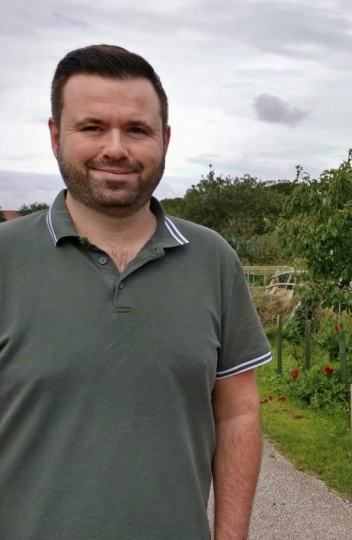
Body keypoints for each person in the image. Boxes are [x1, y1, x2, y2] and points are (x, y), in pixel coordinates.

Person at [0, 44, 272, 539]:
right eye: (92, 127)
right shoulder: (5, 258)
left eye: (137, 130)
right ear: (55, 135)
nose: (116, 148)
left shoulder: (213, 261)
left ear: (164, 139)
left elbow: (237, 412)